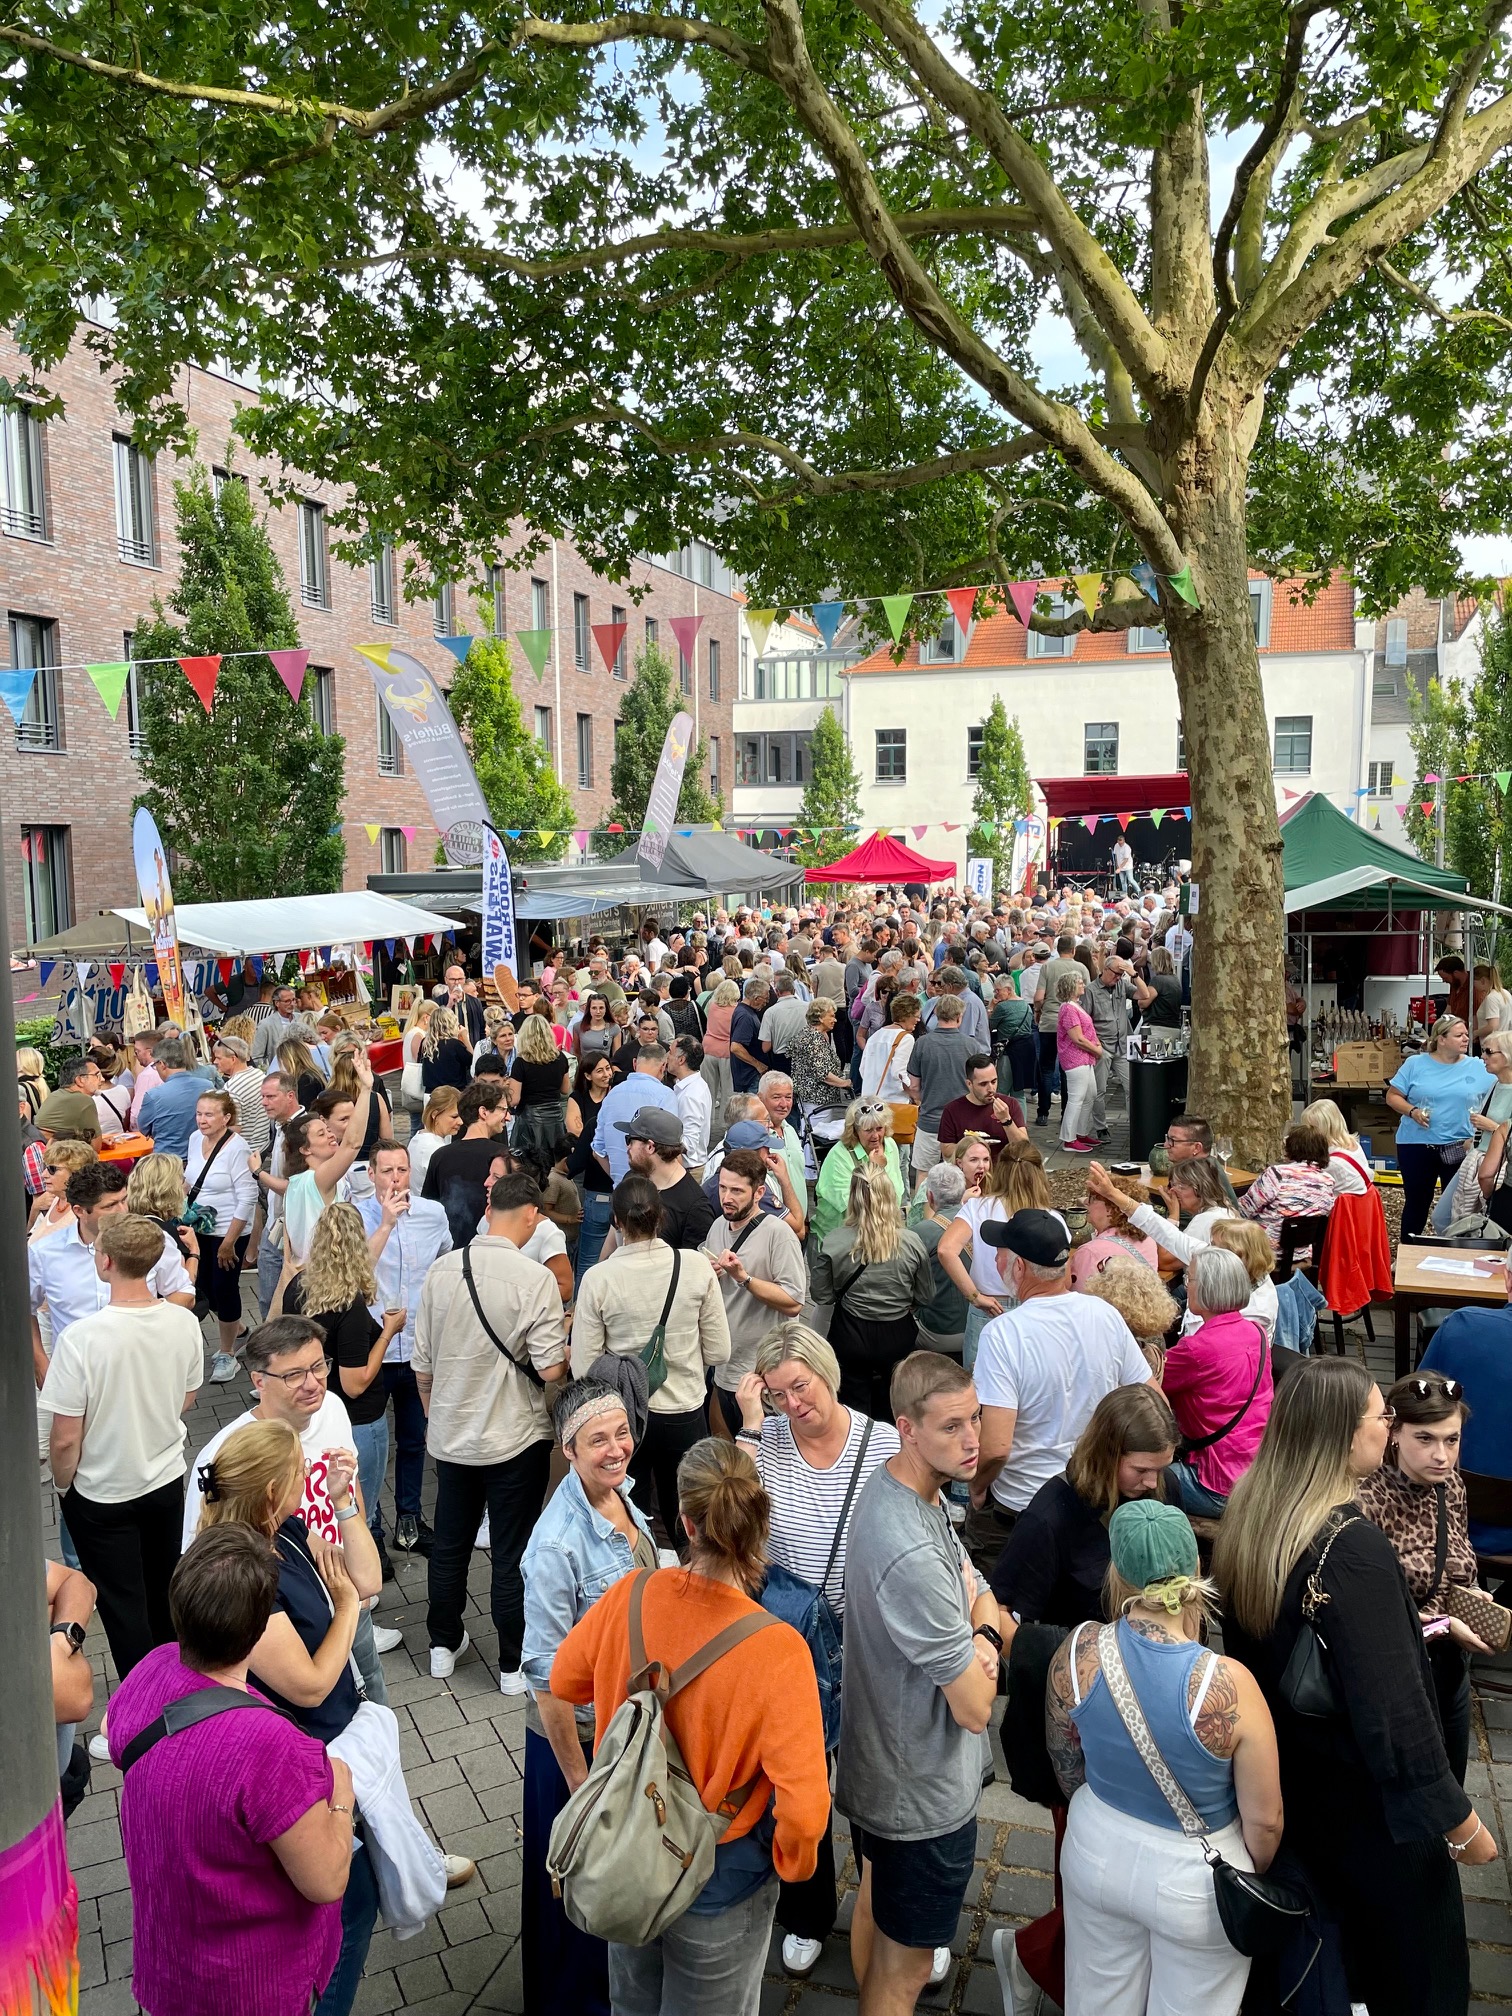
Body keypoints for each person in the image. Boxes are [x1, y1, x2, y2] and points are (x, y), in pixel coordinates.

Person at [1215, 1359, 1494, 2016]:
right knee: (1422, 1981)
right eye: (1381, 1416)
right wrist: (1461, 1824)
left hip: (1295, 1784)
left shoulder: (1254, 1510)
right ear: (1344, 1435)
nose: (1389, 1425)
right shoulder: (1352, 1548)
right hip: (1370, 1814)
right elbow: (1396, 1715)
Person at [550, 1438, 830, 2014]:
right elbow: (805, 1812)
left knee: (632, 2004)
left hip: (628, 1853)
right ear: (758, 1521)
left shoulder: (632, 1593)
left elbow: (563, 1680)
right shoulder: (780, 1650)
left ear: (684, 1522)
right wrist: (790, 1866)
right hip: (721, 1873)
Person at [1046, 1500, 1283, 2016]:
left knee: (1096, 2001)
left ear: (1117, 1571)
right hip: (1198, 1879)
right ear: (1196, 1566)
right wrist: (1248, 1870)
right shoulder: (1229, 1684)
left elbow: (1066, 1765)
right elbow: (1266, 1823)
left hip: (1095, 1849)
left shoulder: (1078, 1651)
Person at [106, 1526, 353, 2016]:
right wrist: (341, 1795)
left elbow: (113, 1733)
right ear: (259, 1631)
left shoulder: (152, 1667)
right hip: (250, 1987)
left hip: (170, 1965)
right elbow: (326, 1881)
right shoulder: (271, 1746)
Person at [194, 1420, 388, 2014]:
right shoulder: (242, 1575)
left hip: (329, 1743)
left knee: (351, 1896)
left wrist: (343, 1503)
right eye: (300, 1469)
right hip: (298, 1761)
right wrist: (347, 1610)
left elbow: (369, 1578)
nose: (310, 1472)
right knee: (347, 1902)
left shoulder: (289, 1530)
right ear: (273, 1491)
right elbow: (307, 1685)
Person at [837, 1352, 1006, 2009]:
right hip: (920, 1799)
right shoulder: (909, 1546)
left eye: (976, 1420)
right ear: (906, 1428)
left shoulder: (905, 1488)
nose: (973, 1440)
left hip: (890, 1775)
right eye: (951, 1427)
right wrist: (986, 1635)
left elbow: (978, 1584)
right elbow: (974, 1705)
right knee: (904, 1973)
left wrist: (977, 1618)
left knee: (876, 1916)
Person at [731, 1325, 901, 1978]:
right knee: (798, 1786)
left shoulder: (881, 1442)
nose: (793, 1404)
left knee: (875, 1785)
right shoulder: (766, 1441)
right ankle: (806, 1914)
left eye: (800, 1386)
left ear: (826, 1372)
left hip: (867, 1649)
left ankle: (892, 1914)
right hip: (792, 1648)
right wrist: (751, 1424)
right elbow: (730, 1518)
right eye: (778, 1394)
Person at [521, 1378, 658, 2014]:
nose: (616, 1449)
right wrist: (580, 1786)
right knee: (580, 1890)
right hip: (576, 1746)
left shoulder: (623, 1497)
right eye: (597, 1440)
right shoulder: (555, 1545)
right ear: (568, 1450)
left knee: (613, 1886)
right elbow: (546, 1680)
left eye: (622, 1433)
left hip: (621, 1731)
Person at [415, 1171, 568, 1692]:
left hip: (452, 1435)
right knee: (511, 1551)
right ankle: (510, 1665)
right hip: (515, 1438)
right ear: (531, 1216)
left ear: (488, 1212)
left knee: (450, 1544)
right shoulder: (535, 1279)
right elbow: (549, 1368)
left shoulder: (441, 1271)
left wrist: (436, 1416)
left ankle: (441, 1645)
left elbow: (422, 1364)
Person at [43, 1214, 204, 1680]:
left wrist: (63, 1486)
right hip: (165, 1480)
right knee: (164, 1592)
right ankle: (179, 1685)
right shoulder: (182, 1321)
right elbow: (187, 1397)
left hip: (102, 1494)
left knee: (123, 1607)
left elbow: (65, 1437)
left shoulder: (81, 1339)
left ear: (107, 1261)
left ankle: (142, 1702)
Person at [968, 1210, 1151, 1575]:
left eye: (1000, 1253)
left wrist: (976, 1486)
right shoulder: (1105, 1314)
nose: (995, 1260)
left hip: (1021, 1508)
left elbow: (997, 1447)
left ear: (1020, 1267)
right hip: (1091, 1498)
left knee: (1000, 1599)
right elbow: (1150, 1400)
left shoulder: (1003, 1334)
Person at [570, 1172, 729, 1540]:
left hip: (624, 1415)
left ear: (616, 1221)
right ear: (661, 1216)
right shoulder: (695, 1265)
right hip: (685, 1409)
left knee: (630, 1514)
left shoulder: (598, 1278)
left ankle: (639, 1572)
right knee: (689, 1516)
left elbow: (583, 1369)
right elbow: (719, 1350)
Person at [1356, 1371, 1487, 1785]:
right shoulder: (1366, 1500)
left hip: (1451, 1667)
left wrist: (1474, 1597)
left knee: (1453, 1783)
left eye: (1452, 1440)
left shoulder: (1452, 1487)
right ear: (1394, 1432)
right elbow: (1368, 1615)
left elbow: (1459, 1562)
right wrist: (1445, 1624)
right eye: (1425, 1439)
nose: (1441, 1455)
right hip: (1400, 1677)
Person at [280, 1203, 405, 1568]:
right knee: (356, 1513)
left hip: (312, 1416)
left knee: (322, 1511)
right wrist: (388, 1333)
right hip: (359, 1420)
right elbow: (355, 1383)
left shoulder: (297, 1287)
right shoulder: (349, 1305)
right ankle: (360, 1585)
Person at [991, 1384, 1179, 1628]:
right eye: (1141, 1470)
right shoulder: (1048, 1518)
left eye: (1161, 1468)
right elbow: (1001, 1611)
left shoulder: (1166, 1485)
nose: (1152, 1482)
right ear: (1106, 1455)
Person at [354, 1142, 452, 1559]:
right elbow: (354, 1274)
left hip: (416, 1348)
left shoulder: (433, 1213)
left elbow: (444, 1263)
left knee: (414, 1441)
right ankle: (371, 1529)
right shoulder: (356, 1216)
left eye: (402, 1170)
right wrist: (386, 1224)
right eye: (387, 1171)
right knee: (370, 1449)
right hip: (373, 1348)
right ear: (371, 1174)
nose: (396, 1179)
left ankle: (409, 1521)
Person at [30, 1161, 195, 1386]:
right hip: (76, 1376)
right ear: (79, 1211)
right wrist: (40, 1361)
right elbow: (24, 1309)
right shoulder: (44, 1252)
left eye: (124, 1200)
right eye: (110, 1206)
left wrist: (148, 1323)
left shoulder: (153, 1239)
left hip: (141, 1372)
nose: (123, 1211)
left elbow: (184, 1293)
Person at [811, 1164, 935, 1420]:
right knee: (895, 1400)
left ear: (852, 1197)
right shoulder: (911, 1242)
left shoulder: (834, 1241)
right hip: (897, 1332)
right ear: (890, 1195)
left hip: (850, 1333)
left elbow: (821, 1296)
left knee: (852, 1405)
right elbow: (925, 1296)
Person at [1159, 1246, 1272, 1517]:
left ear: (1207, 1287)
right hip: (1258, 1474)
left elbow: (1147, 1382)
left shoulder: (1195, 1350)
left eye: (1189, 1278)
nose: (1186, 1286)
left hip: (1216, 1485)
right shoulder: (1256, 1332)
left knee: (1133, 1477)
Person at [702, 1148, 808, 1435]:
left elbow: (794, 1301)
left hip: (764, 1374)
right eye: (723, 1188)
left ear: (759, 1192)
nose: (726, 1197)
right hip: (724, 1367)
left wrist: (744, 1278)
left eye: (737, 1190)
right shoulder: (717, 1226)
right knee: (726, 1453)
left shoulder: (778, 1234)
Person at [934, 1137, 1052, 1370]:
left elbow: (946, 1250)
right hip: (1033, 1307)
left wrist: (974, 1296)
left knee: (980, 1383)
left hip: (988, 1307)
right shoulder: (1049, 1216)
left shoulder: (978, 1207)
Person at [1386, 1013, 1493, 1238]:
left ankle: (1453, 1249)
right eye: (1459, 1035)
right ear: (1441, 1039)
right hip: (1416, 1144)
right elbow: (1392, 1096)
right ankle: (1409, 1248)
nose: (1466, 1039)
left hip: (1460, 1145)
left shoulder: (1478, 1066)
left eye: (1466, 1034)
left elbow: (1504, 1084)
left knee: (1458, 1205)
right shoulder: (1415, 1064)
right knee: (1416, 1202)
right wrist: (1412, 1111)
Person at [186, 1089, 259, 1382]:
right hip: (199, 1227)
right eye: (199, 1113)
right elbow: (190, 1179)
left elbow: (248, 1196)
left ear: (226, 1118)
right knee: (204, 1288)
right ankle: (238, 1330)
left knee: (224, 1287)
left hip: (230, 1230)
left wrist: (229, 1242)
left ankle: (227, 1353)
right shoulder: (195, 1139)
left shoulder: (237, 1149)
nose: (202, 1120)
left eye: (209, 1114)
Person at [419, 1077, 510, 1248]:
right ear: (483, 1112)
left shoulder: (440, 1156)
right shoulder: (503, 1156)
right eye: (503, 1110)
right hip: (489, 1248)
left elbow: (428, 1209)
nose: (508, 1117)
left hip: (448, 1250)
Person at [611, 1105, 717, 1250]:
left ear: (650, 1147)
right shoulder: (633, 1178)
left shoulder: (696, 1208)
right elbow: (615, 1231)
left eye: (629, 1140)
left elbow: (695, 1261)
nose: (627, 1147)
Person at [812, 1096, 906, 1244]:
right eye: (868, 1130)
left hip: (882, 1234)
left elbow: (897, 1193)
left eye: (879, 1128)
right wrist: (875, 1169)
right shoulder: (839, 1156)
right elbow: (855, 1209)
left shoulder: (890, 1145)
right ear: (855, 1130)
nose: (876, 1136)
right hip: (842, 1240)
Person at [904, 993, 976, 1179]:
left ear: (936, 1013)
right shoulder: (972, 1046)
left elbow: (914, 1086)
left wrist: (922, 1099)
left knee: (923, 1174)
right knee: (960, 1176)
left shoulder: (922, 1043)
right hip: (961, 1124)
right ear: (959, 1016)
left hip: (929, 1120)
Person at [592, 1043, 679, 1185]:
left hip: (621, 1189)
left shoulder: (612, 1094)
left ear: (634, 1063)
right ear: (663, 1067)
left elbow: (598, 1150)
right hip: (654, 1188)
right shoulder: (665, 1095)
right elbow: (670, 1148)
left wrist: (619, 1179)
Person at [564, 1054, 617, 1285]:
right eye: (600, 1070)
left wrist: (587, 1136)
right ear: (587, 1075)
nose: (607, 1074)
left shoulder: (609, 1103)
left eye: (608, 1069)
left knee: (589, 1260)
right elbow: (573, 1128)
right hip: (599, 1185)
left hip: (600, 1190)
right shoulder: (578, 1098)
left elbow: (581, 1138)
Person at [913, 1161, 970, 1357]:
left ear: (930, 1197)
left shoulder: (920, 1233)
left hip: (939, 1332)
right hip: (978, 1324)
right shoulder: (982, 1223)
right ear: (962, 1194)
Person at [1069, 1174, 1159, 1287]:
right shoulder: (1148, 1239)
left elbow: (1078, 1293)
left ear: (1111, 1209)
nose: (1086, 1202)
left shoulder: (1090, 1253)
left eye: (1093, 1198)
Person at [935, 1051, 1026, 1162]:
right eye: (983, 1084)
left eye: (994, 1081)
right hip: (968, 1171)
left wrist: (1007, 1121)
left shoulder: (1010, 1104)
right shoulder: (952, 1109)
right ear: (969, 1084)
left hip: (1003, 1169)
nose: (991, 1089)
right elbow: (946, 1150)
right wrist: (972, 1145)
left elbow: (1023, 1148)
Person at [508, 1012, 572, 1165]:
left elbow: (514, 1099)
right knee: (554, 1164)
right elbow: (565, 1089)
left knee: (528, 1165)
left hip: (529, 1121)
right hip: (555, 1120)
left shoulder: (521, 1063)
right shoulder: (561, 1058)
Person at [1053, 970, 1103, 1151]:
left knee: (1090, 1095)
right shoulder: (1068, 1008)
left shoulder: (1075, 1006)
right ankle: (1069, 1139)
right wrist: (1097, 1050)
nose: (1083, 985)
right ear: (1070, 986)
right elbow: (1078, 1038)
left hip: (1085, 1058)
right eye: (1079, 982)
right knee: (1076, 1098)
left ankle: (1081, 1133)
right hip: (1075, 1058)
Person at [137, 1038, 209, 1161]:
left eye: (155, 1065)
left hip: (167, 1161)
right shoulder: (207, 1086)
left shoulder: (154, 1096)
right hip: (202, 1158)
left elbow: (143, 1128)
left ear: (162, 1064)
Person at [788, 996, 851, 1116]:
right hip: (816, 1100)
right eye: (831, 1016)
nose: (835, 1020)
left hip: (815, 1099)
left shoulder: (811, 1034)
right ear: (821, 1017)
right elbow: (822, 1073)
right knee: (816, 1127)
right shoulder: (813, 1038)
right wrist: (844, 1082)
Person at [859, 991, 921, 1108]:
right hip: (893, 1101)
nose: (918, 1020)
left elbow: (863, 1068)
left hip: (869, 1101)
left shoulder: (875, 1035)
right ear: (907, 1015)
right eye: (917, 1016)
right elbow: (898, 1072)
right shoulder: (906, 1038)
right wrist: (914, 1093)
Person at [213, 1033, 270, 1152]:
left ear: (233, 1059)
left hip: (246, 1151)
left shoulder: (231, 1088)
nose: (215, 1061)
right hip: (263, 1145)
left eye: (219, 1058)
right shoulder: (259, 1074)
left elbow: (234, 1129)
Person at [666, 1034, 713, 1174]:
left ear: (681, 1060)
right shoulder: (693, 1085)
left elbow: (689, 1144)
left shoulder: (691, 1095)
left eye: (670, 1052)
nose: (667, 1056)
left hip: (689, 1171)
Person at [406, 1084, 461, 1195]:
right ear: (435, 1115)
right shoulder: (435, 1148)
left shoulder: (418, 1137)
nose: (461, 1122)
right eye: (454, 1117)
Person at [419, 1005, 473, 1096]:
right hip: (453, 1092)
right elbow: (472, 1061)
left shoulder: (426, 1043)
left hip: (431, 1093)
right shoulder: (455, 1045)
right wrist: (465, 1037)